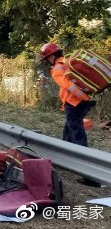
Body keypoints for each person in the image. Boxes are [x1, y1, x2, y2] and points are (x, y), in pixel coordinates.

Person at [39, 43, 99, 186]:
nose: (47, 62)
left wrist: (79, 98)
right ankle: (64, 160)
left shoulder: (57, 69)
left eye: (47, 58)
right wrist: (85, 98)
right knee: (68, 131)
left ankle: (89, 175)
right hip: (82, 102)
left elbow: (68, 86)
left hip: (74, 103)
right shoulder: (68, 62)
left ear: (52, 56)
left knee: (78, 136)